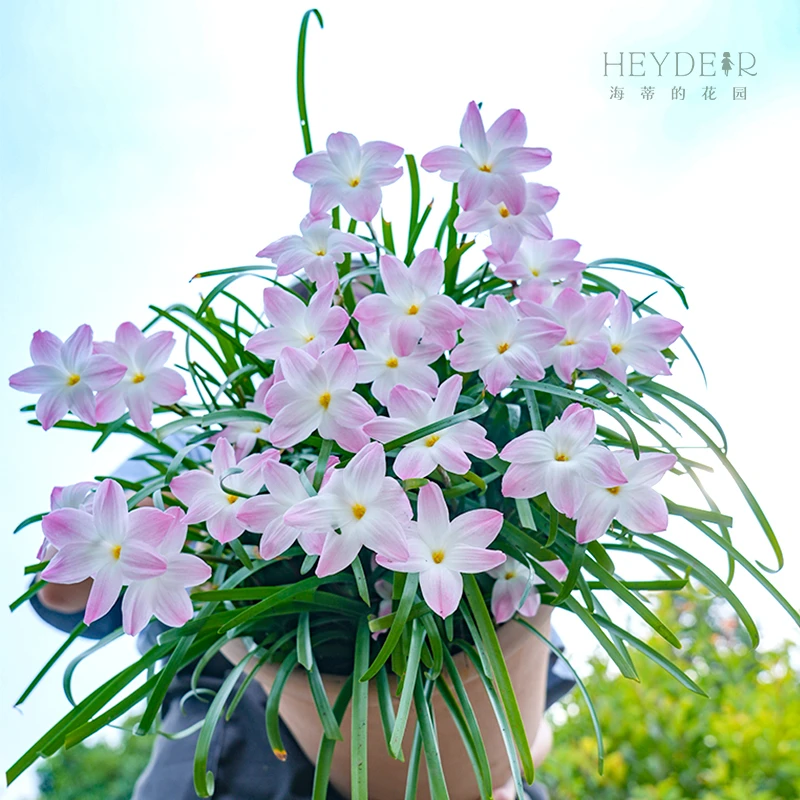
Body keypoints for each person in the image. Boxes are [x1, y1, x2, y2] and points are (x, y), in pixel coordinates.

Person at [31, 444, 575, 799]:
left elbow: (532, 709)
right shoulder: (186, 452)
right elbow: (58, 590)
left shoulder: (397, 453)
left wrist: (493, 772)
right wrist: (151, 534)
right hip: (229, 757)